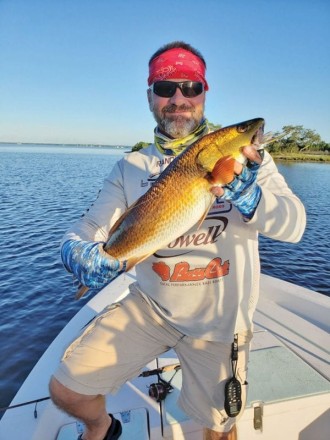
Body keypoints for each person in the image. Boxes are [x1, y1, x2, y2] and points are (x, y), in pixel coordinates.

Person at [49, 41, 306, 440]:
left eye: (190, 86)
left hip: (221, 322)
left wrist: (254, 200)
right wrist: (73, 250)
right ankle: (103, 427)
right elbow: (89, 227)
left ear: (204, 92)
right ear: (151, 95)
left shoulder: (254, 163)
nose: (179, 98)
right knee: (66, 390)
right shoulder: (131, 166)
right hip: (151, 308)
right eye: (166, 87)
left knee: (218, 429)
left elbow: (294, 227)